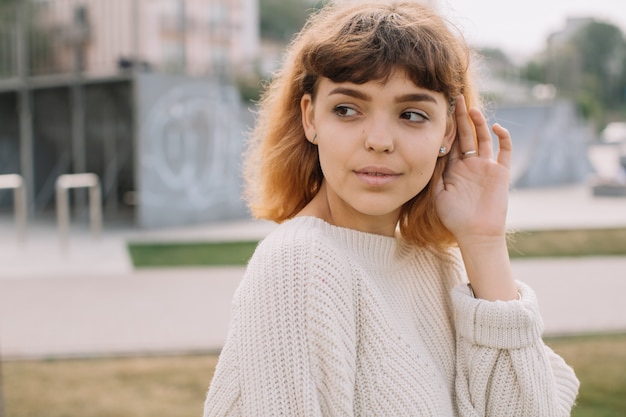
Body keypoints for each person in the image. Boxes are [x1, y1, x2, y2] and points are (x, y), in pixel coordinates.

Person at [203, 1, 580, 415]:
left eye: (412, 114)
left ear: (448, 132)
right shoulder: (299, 266)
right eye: (347, 109)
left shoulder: (440, 267)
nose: (379, 140)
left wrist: (483, 241)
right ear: (311, 118)